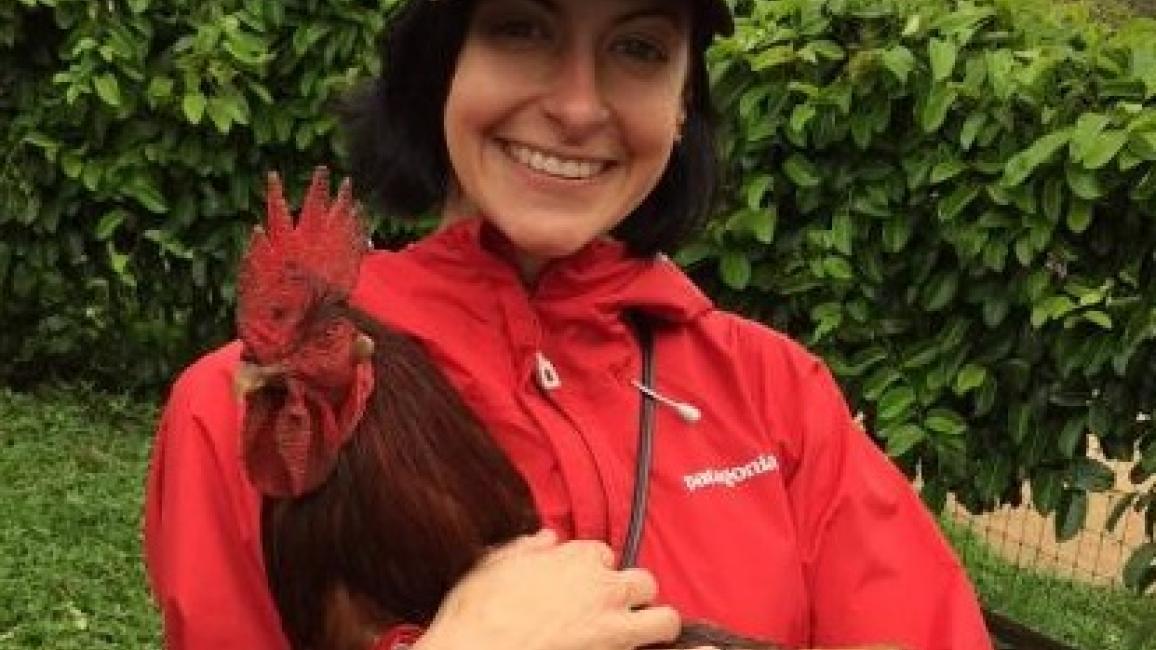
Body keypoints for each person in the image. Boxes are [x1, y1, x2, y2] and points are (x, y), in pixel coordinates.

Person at [143, 0, 993, 649]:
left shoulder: (775, 392)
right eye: (522, 28)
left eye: (638, 48)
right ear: (439, 62)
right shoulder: (246, 406)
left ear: (683, 104)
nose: (580, 107)